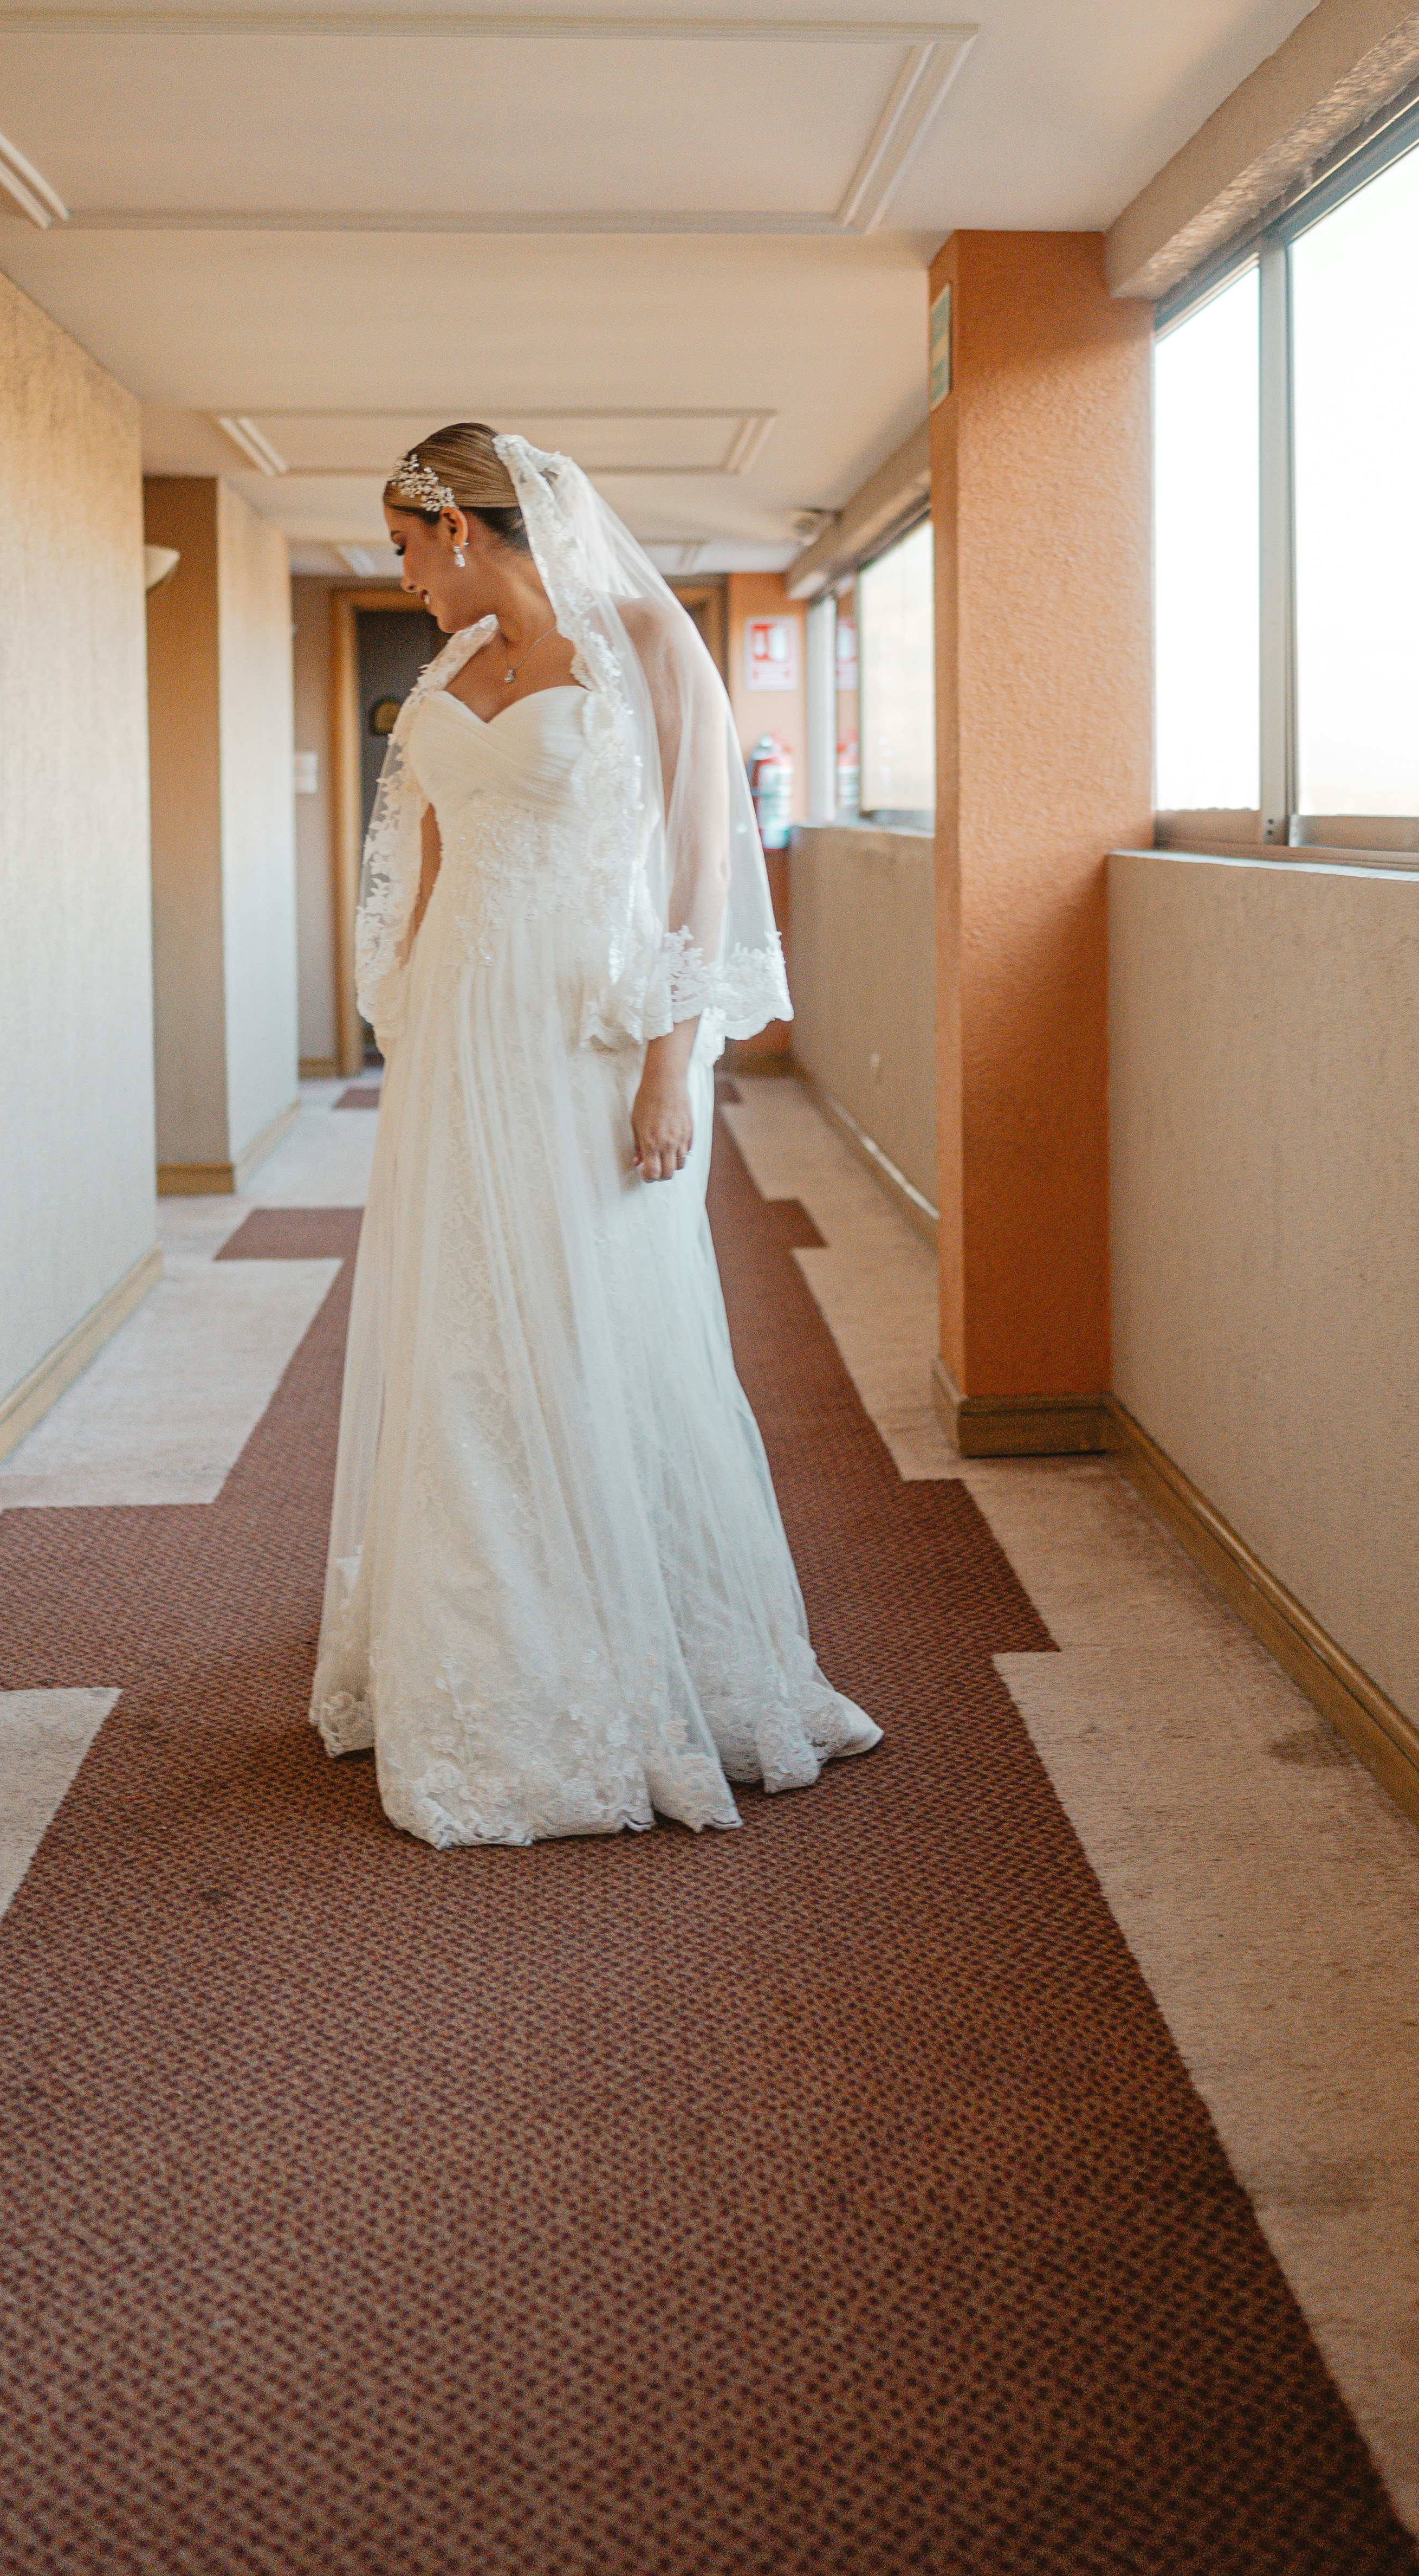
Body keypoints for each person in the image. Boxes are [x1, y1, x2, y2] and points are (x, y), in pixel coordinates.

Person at [310, 424, 881, 1847]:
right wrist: (409, 1019)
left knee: (598, 1321)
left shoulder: (645, 644)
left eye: (404, 545)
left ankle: (653, 1651)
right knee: (463, 1332)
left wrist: (672, 1064)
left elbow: (696, 858)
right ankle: (486, 1665)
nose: (402, 577)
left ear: (459, 527)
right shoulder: (444, 674)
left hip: (588, 1035)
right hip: (461, 1032)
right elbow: (432, 859)